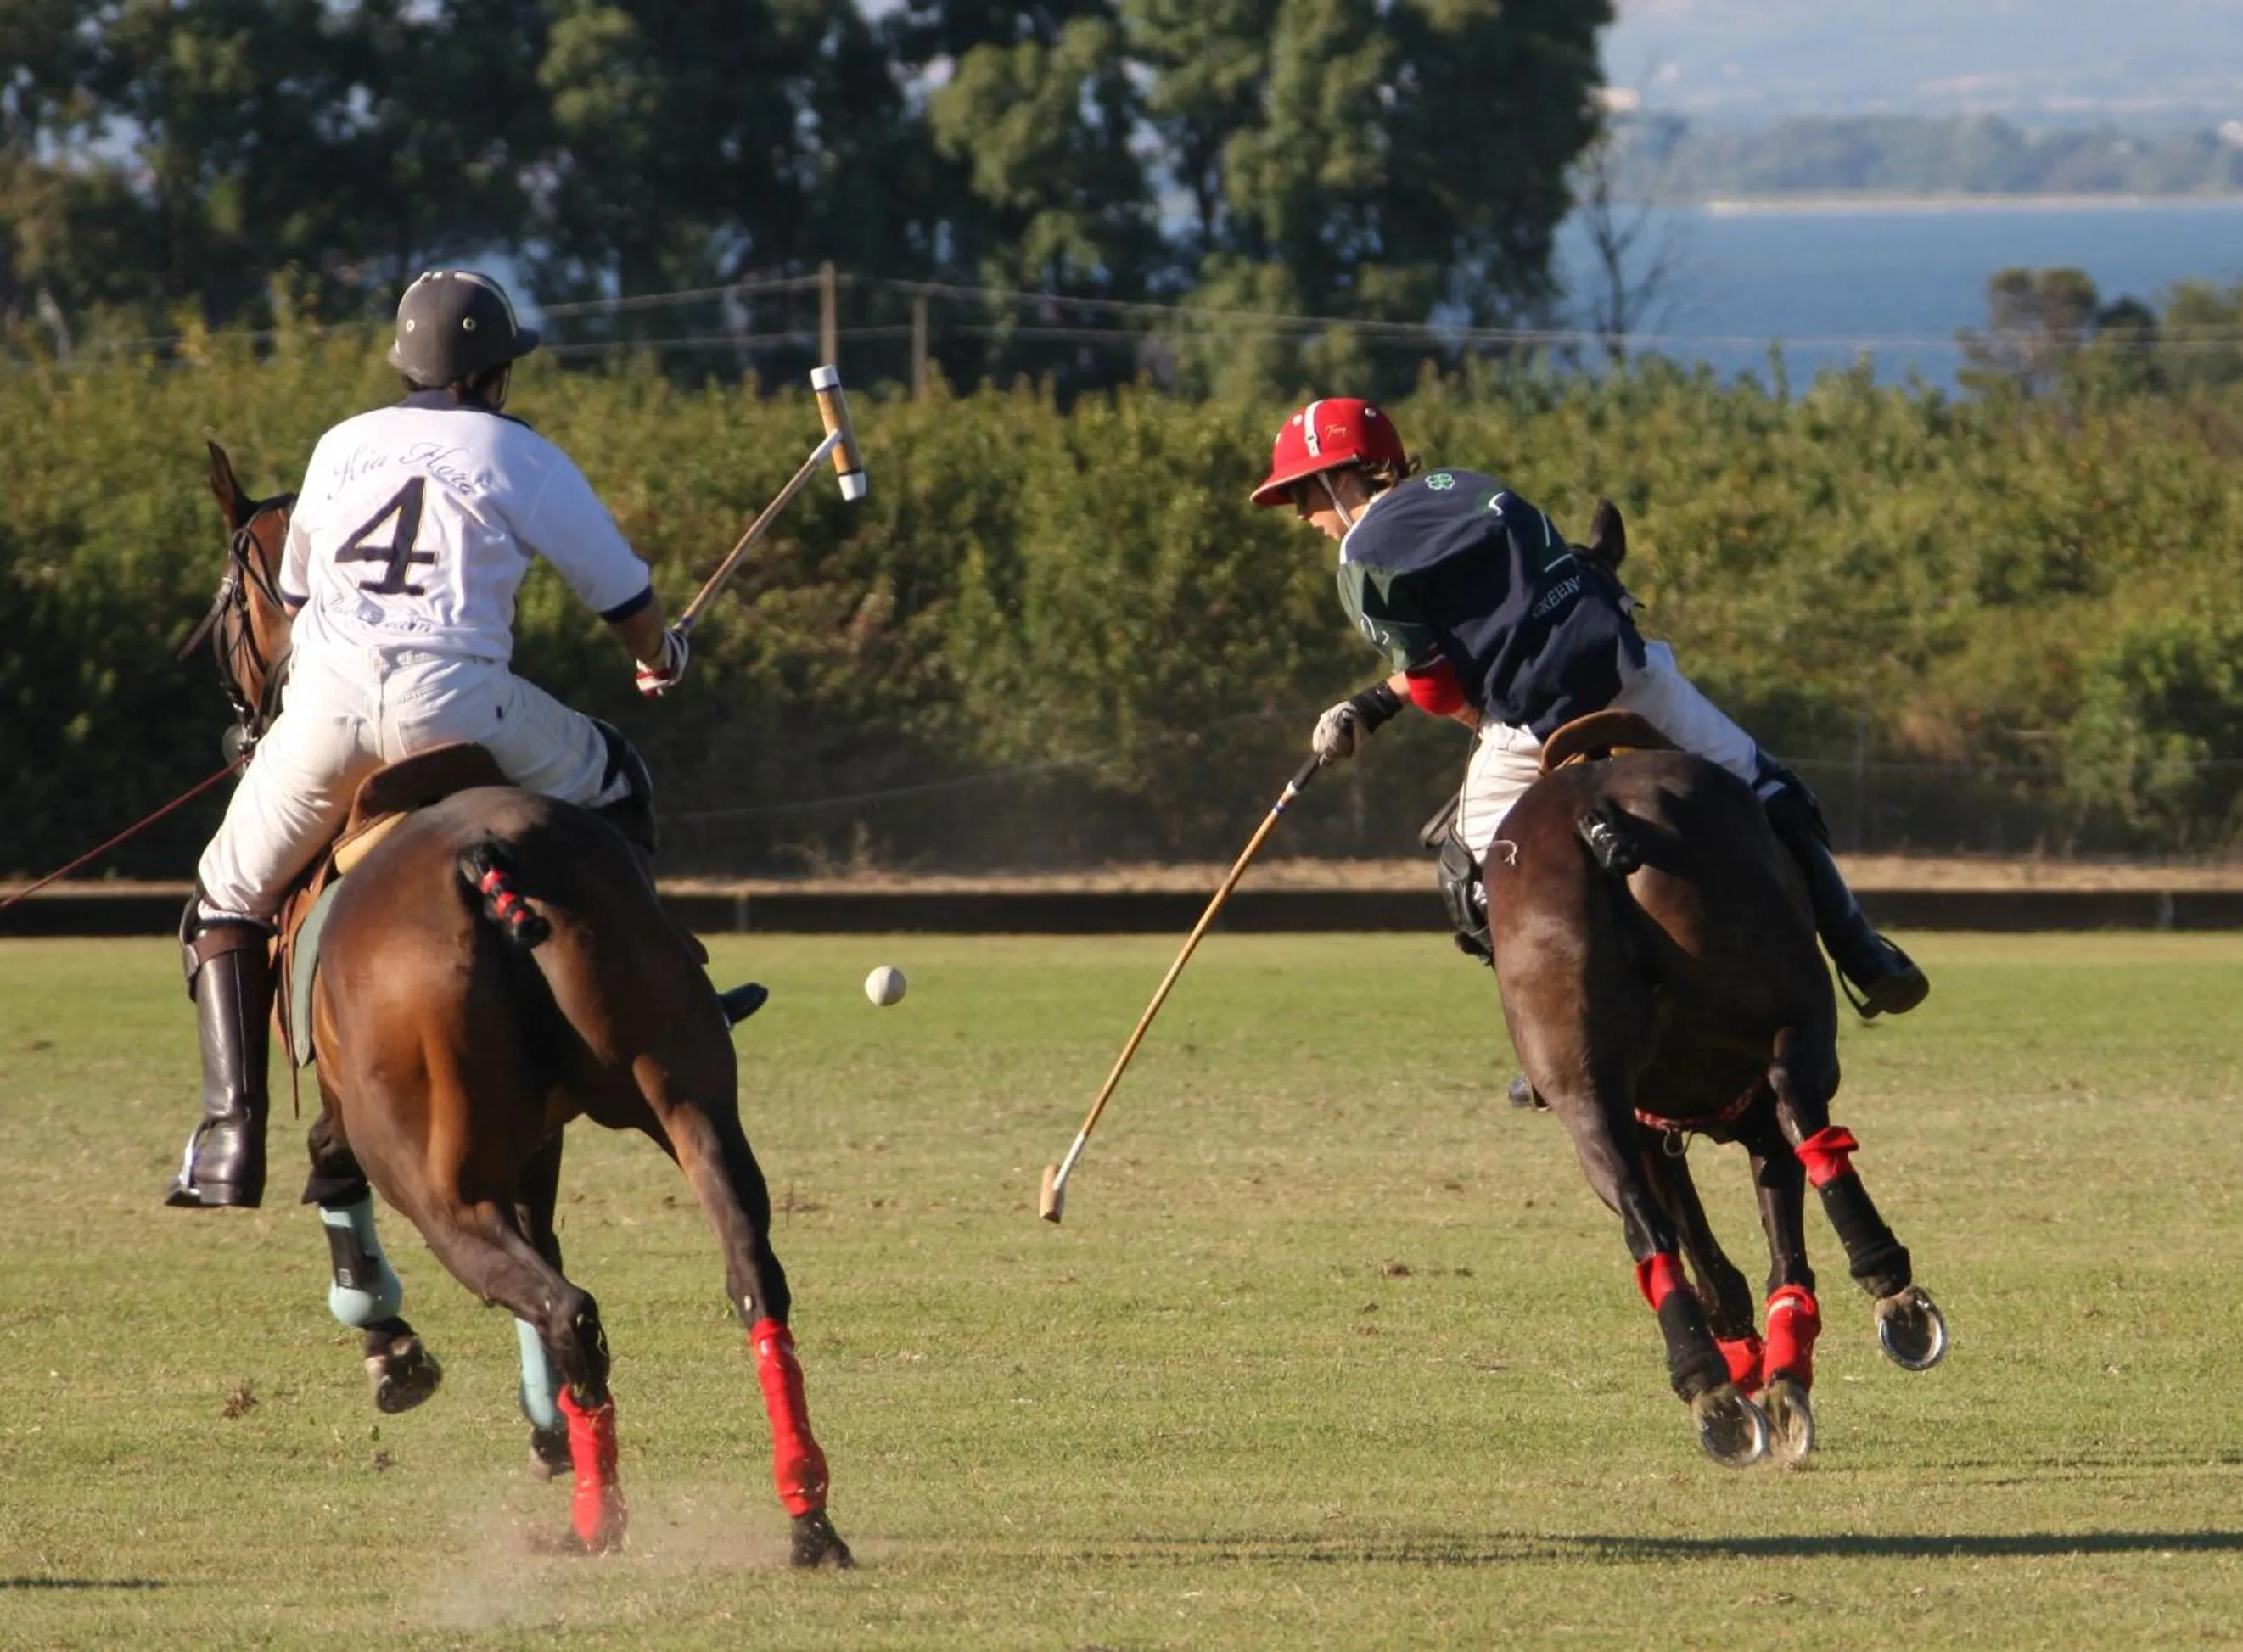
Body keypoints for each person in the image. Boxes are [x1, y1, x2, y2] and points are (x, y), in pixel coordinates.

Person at [169, 269, 694, 1210]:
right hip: (462, 706)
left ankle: (228, 1138)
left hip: (325, 716)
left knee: (225, 899)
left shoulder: (339, 447)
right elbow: (621, 596)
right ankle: (652, 998)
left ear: (405, 366)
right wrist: (662, 655)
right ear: (497, 375)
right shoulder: (519, 454)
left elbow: (291, 605)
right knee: (618, 775)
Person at [1251, 395, 1926, 1020]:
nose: (1303, 516)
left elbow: (1437, 686)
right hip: (1629, 674)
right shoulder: (1467, 484)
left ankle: (1555, 1028)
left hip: (1529, 721)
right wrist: (1371, 702)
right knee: (1770, 787)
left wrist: (1481, 728)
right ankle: (1859, 949)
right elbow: (1502, 618)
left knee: (1471, 868)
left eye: (1302, 494)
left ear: (1343, 479)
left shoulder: (1361, 557)